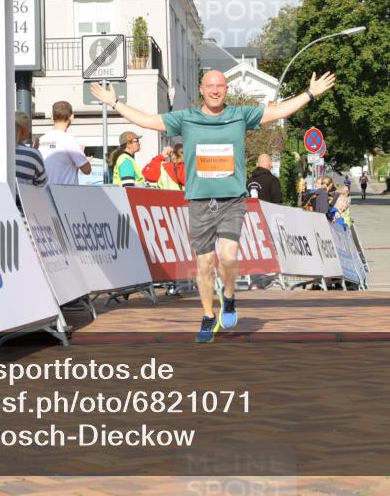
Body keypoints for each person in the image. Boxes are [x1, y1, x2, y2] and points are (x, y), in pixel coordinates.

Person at [92, 69, 336, 343]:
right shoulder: (186, 118)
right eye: (210, 86)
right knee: (205, 264)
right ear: (202, 90)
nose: (215, 90)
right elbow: (148, 121)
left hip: (232, 199)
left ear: (226, 90)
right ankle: (208, 315)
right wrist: (115, 103)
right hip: (199, 202)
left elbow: (277, 112)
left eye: (220, 85)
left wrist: (310, 94)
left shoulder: (240, 115)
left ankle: (229, 298)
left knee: (229, 256)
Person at [41, 100, 92, 184]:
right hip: (64, 194)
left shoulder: (40, 140)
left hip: (42, 194)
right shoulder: (70, 141)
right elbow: (87, 170)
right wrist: (83, 158)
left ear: (51, 117)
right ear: (72, 117)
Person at [14, 111, 46, 191]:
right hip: (23, 202)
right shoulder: (33, 155)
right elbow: (42, 183)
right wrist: (33, 153)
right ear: (25, 131)